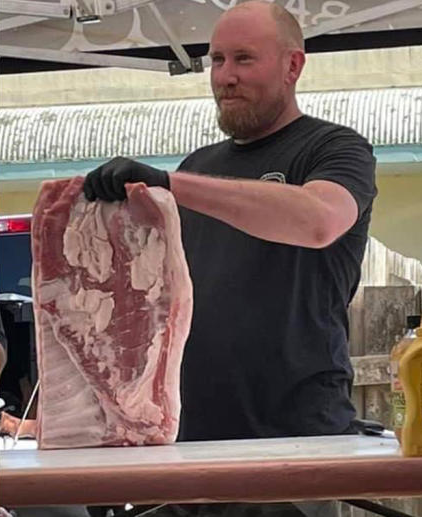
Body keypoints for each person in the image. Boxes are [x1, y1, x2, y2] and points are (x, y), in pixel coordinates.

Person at [83, 2, 376, 516]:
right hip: (191, 444)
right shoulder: (199, 165)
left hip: (295, 444)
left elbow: (318, 220)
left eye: (244, 59)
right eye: (216, 60)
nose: (226, 77)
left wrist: (173, 185)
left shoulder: (335, 148)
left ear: (292, 66)